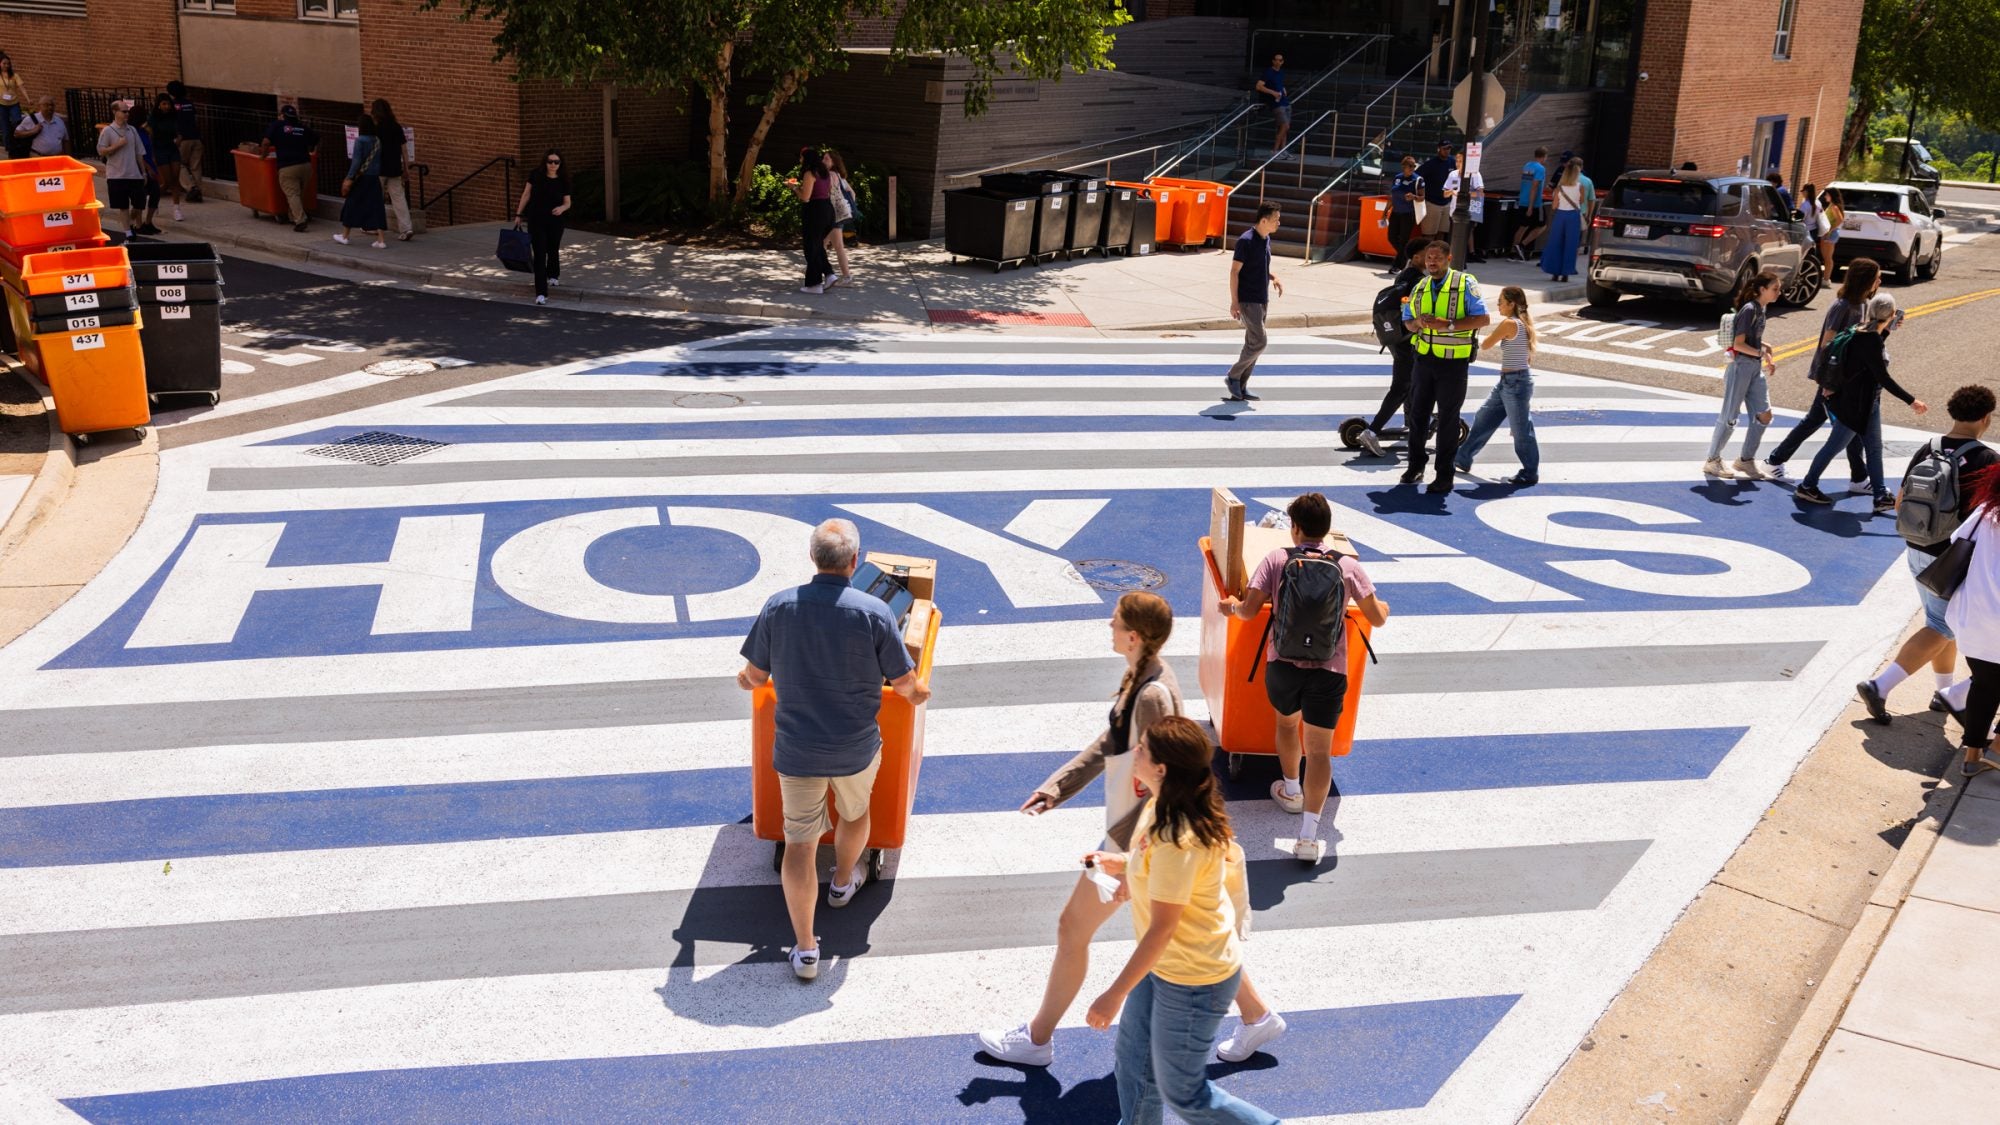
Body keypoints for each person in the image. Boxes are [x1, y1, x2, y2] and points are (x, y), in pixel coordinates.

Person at [978, 594, 1287, 1068]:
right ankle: (1256, 1015)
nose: (1109, 624)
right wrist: (1057, 788)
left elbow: (1159, 777)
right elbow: (1113, 742)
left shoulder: (1152, 693)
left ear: (1134, 636)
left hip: (1138, 834)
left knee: (1073, 927)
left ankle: (1038, 1039)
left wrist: (1130, 854)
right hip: (1142, 835)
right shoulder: (1145, 676)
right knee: (1197, 929)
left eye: (1116, 621)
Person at [736, 519, 930, 981]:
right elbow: (905, 686)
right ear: (855, 562)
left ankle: (805, 950)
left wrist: (745, 680)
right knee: (854, 812)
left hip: (798, 749)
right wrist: (921, 694)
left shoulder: (779, 607)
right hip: (855, 747)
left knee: (800, 846)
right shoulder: (874, 614)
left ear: (812, 558)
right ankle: (843, 882)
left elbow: (755, 677)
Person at [1083, 717, 1279, 1125]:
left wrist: (1114, 994)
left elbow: (1162, 929)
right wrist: (1119, 865)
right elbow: (1150, 866)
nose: (1134, 752)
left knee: (1186, 1094)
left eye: (1143, 749)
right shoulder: (1160, 804)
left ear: (1162, 768)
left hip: (1194, 980)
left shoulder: (1179, 837)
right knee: (1134, 1065)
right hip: (1167, 969)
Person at [1218, 493, 1391, 863]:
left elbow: (1248, 613)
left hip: (1283, 666)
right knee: (1320, 751)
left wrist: (1231, 606)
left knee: (1285, 724)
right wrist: (1384, 607)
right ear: (1327, 530)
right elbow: (1376, 618)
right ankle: (1309, 837)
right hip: (1329, 671)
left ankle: (1291, 789)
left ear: (1294, 528)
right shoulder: (1347, 566)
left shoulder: (1277, 558)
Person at [1856, 384, 1997, 725]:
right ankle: (1880, 685)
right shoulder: (1986, 459)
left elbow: (1901, 500)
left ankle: (1942, 691)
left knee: (1941, 623)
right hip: (1953, 558)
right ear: (1985, 419)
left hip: (1916, 548)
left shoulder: (1929, 448)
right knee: (1942, 626)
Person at [1795, 293, 1927, 508]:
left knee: (1874, 449)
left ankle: (1880, 496)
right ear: (1891, 315)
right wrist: (1911, 401)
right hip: (1854, 406)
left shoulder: (1863, 330)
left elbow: (1867, 358)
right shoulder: (1871, 339)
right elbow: (1882, 376)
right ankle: (1807, 486)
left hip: (1867, 403)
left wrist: (1887, 330)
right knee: (1833, 447)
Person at [1765, 257, 1879, 483]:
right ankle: (1777, 462)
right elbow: (1829, 343)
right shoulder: (1843, 306)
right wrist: (1829, 381)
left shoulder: (1862, 304)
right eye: (1876, 277)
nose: (1880, 281)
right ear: (1865, 280)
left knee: (1827, 422)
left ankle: (1859, 477)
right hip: (1833, 376)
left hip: (1844, 377)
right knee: (1842, 425)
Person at [1399, 237, 1491, 492]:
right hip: (1424, 360)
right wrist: (1418, 322)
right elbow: (1407, 322)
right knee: (1417, 416)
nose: (1432, 263)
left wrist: (1447, 325)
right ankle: (1415, 465)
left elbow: (1483, 319)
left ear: (1449, 259)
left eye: (1437, 258)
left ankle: (1444, 474)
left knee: (1449, 421)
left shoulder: (1465, 283)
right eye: (1429, 259)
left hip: (1453, 364)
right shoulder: (1420, 286)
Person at [1940, 466, 2000, 779]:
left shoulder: (1988, 511)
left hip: (1975, 614)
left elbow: (1956, 539)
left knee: (1985, 683)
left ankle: (1972, 755)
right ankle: (1998, 748)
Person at [1455, 285, 1540, 485]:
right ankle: (1463, 457)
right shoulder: (1523, 323)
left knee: (1521, 431)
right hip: (1508, 382)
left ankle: (1530, 471)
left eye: (1501, 302)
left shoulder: (1510, 323)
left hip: (1515, 383)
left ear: (1511, 304)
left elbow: (1485, 344)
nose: (1498, 305)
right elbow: (1526, 359)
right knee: (1484, 417)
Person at [1702, 270, 1780, 478]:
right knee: (1730, 416)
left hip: (1753, 367)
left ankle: (1745, 460)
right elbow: (1738, 344)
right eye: (1775, 289)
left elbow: (1751, 339)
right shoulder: (1749, 309)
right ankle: (1712, 460)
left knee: (1764, 415)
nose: (1778, 292)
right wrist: (1760, 352)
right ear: (1762, 289)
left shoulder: (1761, 309)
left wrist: (1765, 347)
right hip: (1741, 366)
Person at [1356, 240, 1427, 458]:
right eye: (1427, 255)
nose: (1431, 259)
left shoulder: (1403, 276)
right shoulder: (1417, 280)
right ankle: (1372, 431)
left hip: (1396, 339)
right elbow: (1412, 311)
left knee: (1410, 382)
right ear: (1416, 257)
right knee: (1401, 387)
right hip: (1407, 340)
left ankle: (1411, 423)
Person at [1223, 203, 1282, 403]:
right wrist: (1234, 302)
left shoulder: (1266, 239)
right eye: (1275, 220)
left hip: (1262, 298)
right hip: (1248, 300)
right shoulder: (1245, 241)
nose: (1278, 223)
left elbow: (1259, 266)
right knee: (1260, 342)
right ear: (1263, 220)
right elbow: (1234, 272)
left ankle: (1240, 385)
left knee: (1252, 343)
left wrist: (1273, 277)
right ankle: (1233, 375)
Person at [513, 149, 571, 305]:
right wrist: (519, 214)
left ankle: (553, 275)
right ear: (545, 162)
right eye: (550, 161)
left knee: (552, 249)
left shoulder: (563, 180)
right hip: (536, 220)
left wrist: (562, 209)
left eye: (556, 162)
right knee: (539, 255)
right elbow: (526, 194)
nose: (552, 165)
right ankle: (541, 293)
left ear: (560, 164)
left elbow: (568, 202)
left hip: (555, 222)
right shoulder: (536, 175)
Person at [261, 104, 320, 233]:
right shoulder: (302, 128)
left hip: (288, 167)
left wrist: (263, 155)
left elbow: (266, 142)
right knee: (298, 194)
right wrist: (312, 151)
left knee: (293, 194)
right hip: (306, 165)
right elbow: (316, 138)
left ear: (282, 115)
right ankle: (293, 216)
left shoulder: (277, 125)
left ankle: (300, 220)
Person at [95, 101, 147, 239]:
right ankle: (128, 232)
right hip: (116, 175)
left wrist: (143, 172)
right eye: (124, 112)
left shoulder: (132, 130)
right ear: (115, 112)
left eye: (127, 112)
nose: (126, 114)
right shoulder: (108, 131)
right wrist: (117, 145)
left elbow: (139, 152)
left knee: (139, 204)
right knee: (123, 205)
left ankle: (128, 222)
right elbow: (101, 151)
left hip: (134, 174)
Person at [789, 147, 837, 294]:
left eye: (801, 157)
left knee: (811, 248)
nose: (800, 160)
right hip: (827, 209)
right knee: (817, 245)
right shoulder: (825, 173)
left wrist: (794, 188)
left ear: (807, 159)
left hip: (814, 211)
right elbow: (827, 191)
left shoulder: (810, 173)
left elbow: (805, 197)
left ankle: (814, 284)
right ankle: (829, 274)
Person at [371, 98, 414, 242]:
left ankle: (373, 226)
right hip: (395, 167)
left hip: (379, 168)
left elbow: (372, 150)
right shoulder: (396, 126)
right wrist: (406, 169)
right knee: (399, 198)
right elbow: (404, 150)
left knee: (376, 198)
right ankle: (406, 228)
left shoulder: (375, 129)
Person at [1539, 160, 1586, 282]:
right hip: (1573, 216)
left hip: (1560, 215)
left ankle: (1555, 272)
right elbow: (1581, 202)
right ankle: (1566, 273)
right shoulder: (1580, 187)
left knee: (1556, 243)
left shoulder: (1559, 188)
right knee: (1570, 245)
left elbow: (1554, 206)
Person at [125, 102, 164, 236]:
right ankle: (138, 223)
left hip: (150, 166)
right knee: (140, 197)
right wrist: (147, 169)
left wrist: (155, 168)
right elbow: (138, 153)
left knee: (155, 194)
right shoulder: (132, 133)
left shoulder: (144, 132)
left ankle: (148, 222)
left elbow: (150, 150)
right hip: (139, 168)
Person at [1442, 150, 1485, 263]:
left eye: (1461, 161)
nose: (1458, 163)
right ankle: (1452, 263)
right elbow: (1445, 193)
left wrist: (1465, 194)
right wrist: (1452, 191)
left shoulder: (1475, 174)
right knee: (1452, 239)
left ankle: (1461, 263)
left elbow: (1480, 193)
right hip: (1454, 212)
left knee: (1461, 241)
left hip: (1468, 212)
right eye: (1457, 161)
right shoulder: (1453, 174)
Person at [823, 148, 856, 285]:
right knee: (830, 245)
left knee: (830, 246)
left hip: (834, 215)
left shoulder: (831, 175)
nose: (823, 161)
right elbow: (852, 194)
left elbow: (827, 194)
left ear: (833, 162)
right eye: (823, 158)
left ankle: (846, 277)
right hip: (840, 214)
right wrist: (848, 207)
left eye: (826, 159)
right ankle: (813, 267)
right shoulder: (840, 176)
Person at [150, 94, 185, 223]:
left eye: (168, 104)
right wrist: (152, 155)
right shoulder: (153, 119)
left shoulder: (173, 117)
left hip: (172, 148)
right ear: (159, 105)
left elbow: (179, 131)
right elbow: (151, 137)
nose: (167, 107)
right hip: (160, 150)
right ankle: (154, 198)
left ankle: (176, 209)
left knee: (175, 178)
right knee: (167, 181)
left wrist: (179, 138)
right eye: (164, 104)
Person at [166, 81, 203, 202]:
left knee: (179, 163)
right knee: (195, 166)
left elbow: (172, 122)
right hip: (196, 137)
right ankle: (198, 190)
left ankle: (191, 188)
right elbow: (195, 119)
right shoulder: (190, 104)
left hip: (183, 139)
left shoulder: (173, 105)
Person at [1511, 147, 1550, 261]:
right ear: (1544, 157)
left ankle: (1513, 252)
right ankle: (1522, 245)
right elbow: (1534, 187)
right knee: (1543, 225)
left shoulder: (1527, 165)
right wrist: (1531, 206)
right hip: (1534, 203)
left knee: (1522, 227)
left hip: (1522, 198)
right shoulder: (1541, 169)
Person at [1387, 156, 1421, 272]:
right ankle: (1407, 256)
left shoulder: (1417, 180)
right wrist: (1385, 210)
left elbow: (1422, 198)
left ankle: (1398, 265)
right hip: (1396, 212)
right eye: (1410, 166)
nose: (1412, 168)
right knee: (1391, 237)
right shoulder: (1397, 178)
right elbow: (1392, 196)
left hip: (1408, 213)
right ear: (1404, 166)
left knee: (1403, 240)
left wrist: (1414, 197)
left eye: (1414, 166)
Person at [1253, 52, 1290, 155]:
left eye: (1280, 60)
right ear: (1273, 61)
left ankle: (1283, 150)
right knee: (1285, 126)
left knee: (1285, 127)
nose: (1278, 62)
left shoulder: (1281, 72)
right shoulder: (1268, 72)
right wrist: (1273, 93)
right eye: (1276, 60)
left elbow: (1279, 83)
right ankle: (1275, 150)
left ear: (1282, 62)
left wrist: (1283, 89)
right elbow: (1259, 86)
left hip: (1284, 101)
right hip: (1276, 104)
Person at [1416, 140, 1453, 235]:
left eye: (1449, 148)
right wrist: (1421, 194)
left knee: (1442, 233)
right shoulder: (1431, 164)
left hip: (1447, 203)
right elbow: (1416, 178)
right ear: (1438, 149)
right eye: (1444, 148)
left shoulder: (1453, 162)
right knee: (1429, 235)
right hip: (1432, 203)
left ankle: (1439, 250)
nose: (1447, 151)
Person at [0, 55, 24, 159]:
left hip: (14, 103)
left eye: (8, 63)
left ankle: (18, 144)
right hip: (2, 105)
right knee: (5, 126)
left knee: (17, 122)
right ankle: (8, 147)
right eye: (4, 63)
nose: (6, 65)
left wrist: (28, 99)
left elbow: (21, 87)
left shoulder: (14, 75)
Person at [1816, 187, 1844, 277]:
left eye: (1827, 194)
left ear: (1831, 195)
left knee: (1827, 258)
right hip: (1828, 233)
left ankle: (1826, 279)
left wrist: (1829, 231)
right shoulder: (1831, 205)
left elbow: (1840, 220)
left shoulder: (1834, 207)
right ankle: (1825, 277)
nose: (1825, 196)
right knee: (1826, 258)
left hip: (1830, 234)